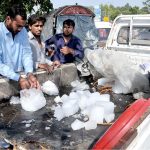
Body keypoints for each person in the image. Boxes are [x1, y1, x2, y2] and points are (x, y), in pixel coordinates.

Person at [0, 4, 40, 89]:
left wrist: (29, 73)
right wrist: (18, 78)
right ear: (8, 19)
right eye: (18, 26)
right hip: (2, 79)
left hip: (19, 75)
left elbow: (26, 53)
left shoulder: (23, 31)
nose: (20, 29)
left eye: (22, 26)